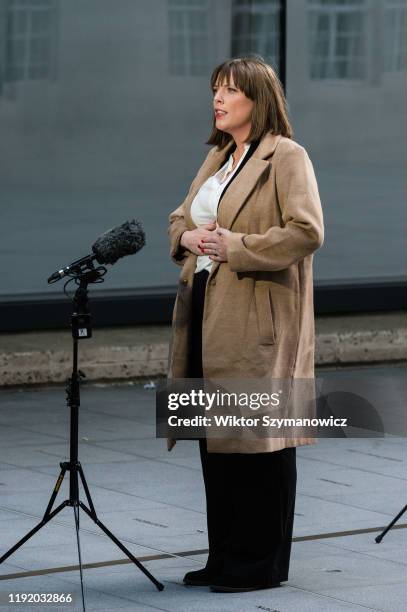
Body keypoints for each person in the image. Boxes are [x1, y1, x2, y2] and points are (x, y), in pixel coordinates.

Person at [167, 56, 324, 593]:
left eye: (230, 91)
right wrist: (185, 238)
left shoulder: (287, 156)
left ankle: (260, 564)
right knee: (217, 439)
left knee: (259, 442)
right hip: (208, 307)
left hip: (258, 310)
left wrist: (238, 247)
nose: (218, 99)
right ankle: (225, 555)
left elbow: (306, 231)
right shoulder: (218, 155)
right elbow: (181, 216)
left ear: (258, 100)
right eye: (215, 89)